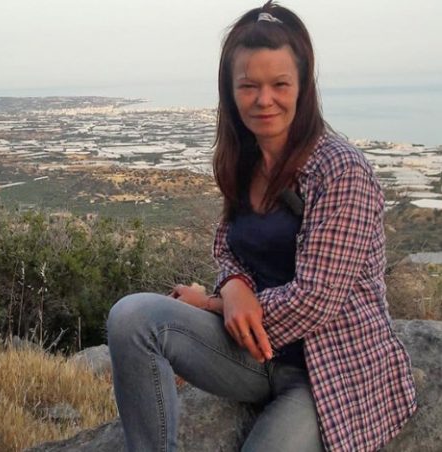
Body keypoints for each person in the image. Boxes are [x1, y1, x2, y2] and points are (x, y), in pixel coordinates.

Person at [106, 2, 417, 451]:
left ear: (303, 87)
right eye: (249, 86)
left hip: (327, 371)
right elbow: (228, 246)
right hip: (252, 354)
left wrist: (213, 303)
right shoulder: (245, 157)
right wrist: (233, 284)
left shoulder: (340, 169)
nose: (263, 99)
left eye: (279, 84)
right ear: (231, 91)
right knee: (132, 319)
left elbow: (314, 301)